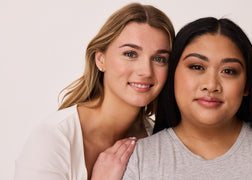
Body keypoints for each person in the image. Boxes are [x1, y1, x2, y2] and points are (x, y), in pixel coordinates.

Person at [122, 17, 252, 179]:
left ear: (247, 86)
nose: (211, 85)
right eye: (197, 67)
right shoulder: (138, 159)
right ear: (172, 75)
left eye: (228, 71)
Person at [14, 3, 175, 180]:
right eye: (130, 54)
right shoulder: (53, 139)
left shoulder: (160, 140)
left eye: (160, 59)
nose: (146, 71)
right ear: (100, 60)